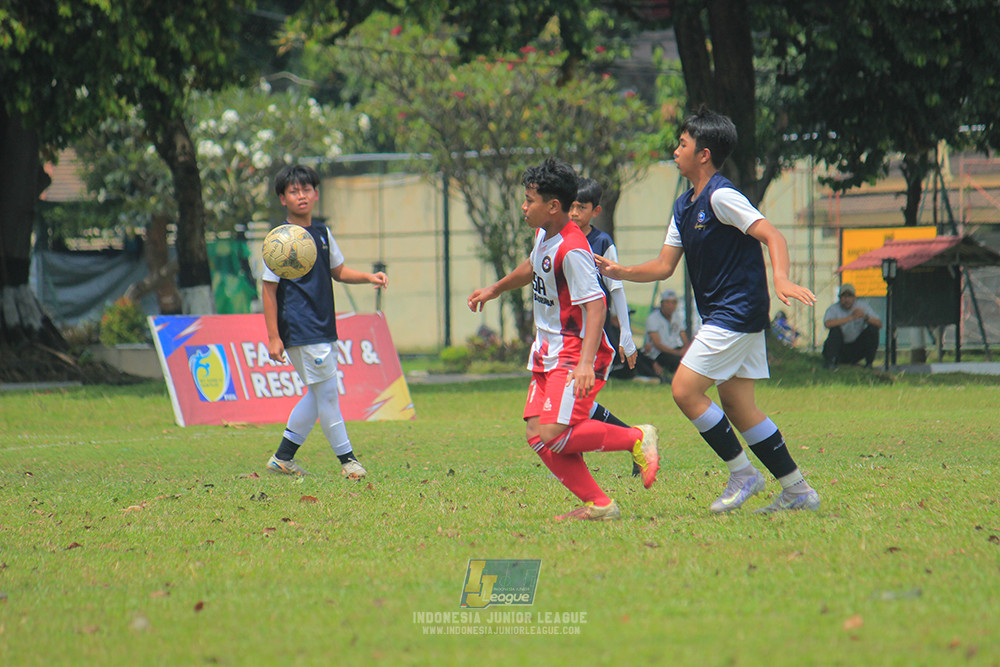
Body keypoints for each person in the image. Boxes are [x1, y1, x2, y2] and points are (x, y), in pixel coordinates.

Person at [596, 108, 821, 514]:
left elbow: (771, 234)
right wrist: (621, 270)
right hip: (727, 313)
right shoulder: (684, 206)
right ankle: (798, 491)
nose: (675, 150)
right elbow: (664, 266)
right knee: (737, 405)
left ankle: (743, 474)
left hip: (737, 311)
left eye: (682, 144)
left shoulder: (721, 195)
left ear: (703, 154)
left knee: (684, 389)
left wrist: (782, 279)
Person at [468, 158, 659, 521]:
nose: (523, 207)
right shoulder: (545, 234)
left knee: (554, 433)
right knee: (536, 433)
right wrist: (494, 289)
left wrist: (586, 363)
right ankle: (600, 504)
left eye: (529, 200)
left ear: (553, 206)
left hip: (574, 351)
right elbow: (533, 266)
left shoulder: (572, 249)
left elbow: (597, 306)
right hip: (547, 350)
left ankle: (636, 437)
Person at [262, 164, 388, 479]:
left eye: (306, 189)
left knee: (319, 393)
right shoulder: (281, 240)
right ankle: (348, 462)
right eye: (293, 191)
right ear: (283, 199)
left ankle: (283, 458)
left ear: (316, 194)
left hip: (322, 325)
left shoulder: (322, 233)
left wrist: (368, 276)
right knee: (328, 393)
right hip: (300, 327)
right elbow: (268, 289)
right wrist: (273, 337)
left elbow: (339, 271)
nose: (301, 195)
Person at [570, 177, 643, 477]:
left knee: (574, 402)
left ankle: (633, 441)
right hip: (567, 333)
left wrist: (626, 335)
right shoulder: (558, 238)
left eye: (581, 207)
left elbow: (616, 290)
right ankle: (633, 440)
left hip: (592, 335)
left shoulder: (602, 243)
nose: (574, 213)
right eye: (571, 206)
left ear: (596, 210)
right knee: (576, 403)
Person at [822, 283, 881, 369]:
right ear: (840, 298)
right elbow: (827, 323)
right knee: (835, 330)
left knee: (873, 330)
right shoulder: (833, 309)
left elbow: (879, 324)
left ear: (854, 298)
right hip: (840, 348)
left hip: (856, 348)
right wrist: (851, 318)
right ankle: (831, 362)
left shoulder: (863, 307)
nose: (847, 300)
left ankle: (869, 363)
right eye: (844, 297)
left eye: (849, 296)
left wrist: (865, 317)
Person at [643, 289, 690, 376]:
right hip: (660, 352)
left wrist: (686, 349)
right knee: (675, 361)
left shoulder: (677, 317)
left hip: (675, 348)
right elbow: (657, 344)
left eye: (673, 303)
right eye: (667, 302)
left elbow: (684, 337)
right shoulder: (653, 318)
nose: (670, 306)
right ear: (662, 303)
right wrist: (677, 353)